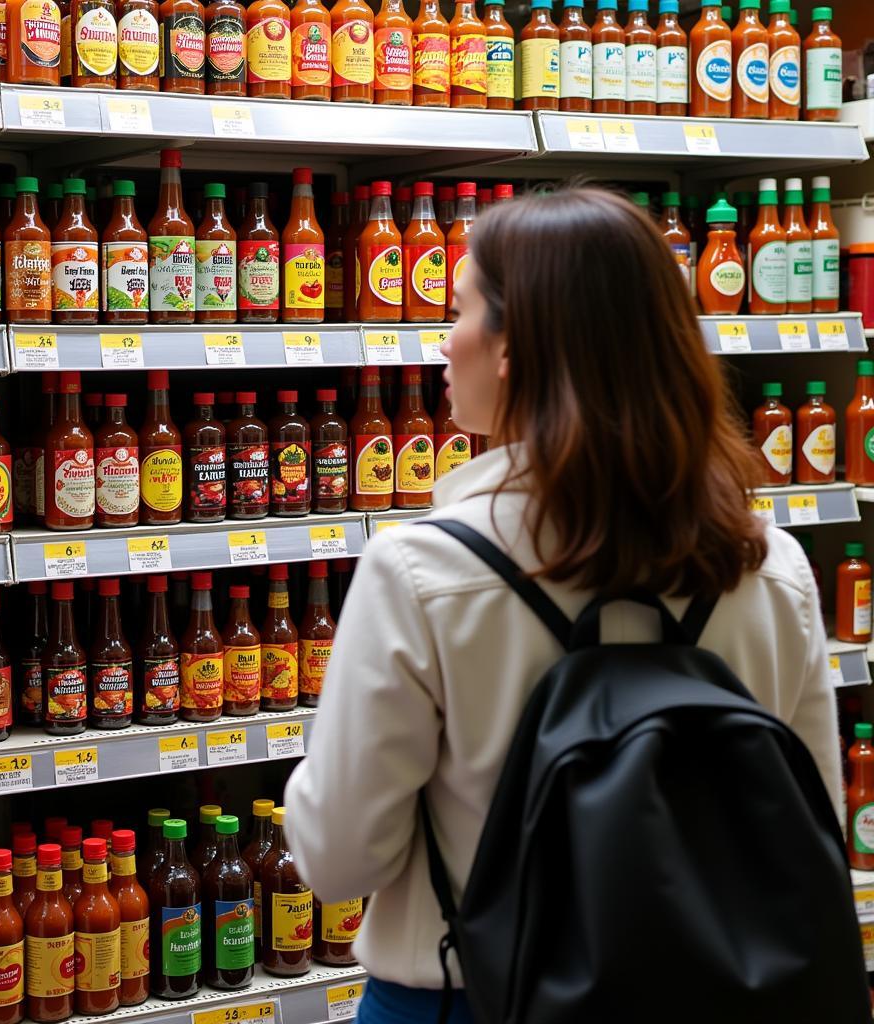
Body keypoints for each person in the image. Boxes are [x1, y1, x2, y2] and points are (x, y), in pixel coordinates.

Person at [283, 187, 840, 1024]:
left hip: (467, 997)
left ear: (514, 349)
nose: (444, 337)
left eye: (462, 307)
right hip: (714, 994)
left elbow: (337, 862)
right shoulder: (772, 566)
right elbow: (812, 823)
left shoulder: (424, 569)